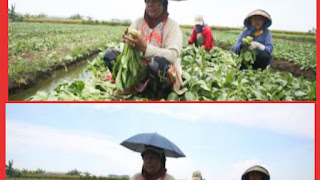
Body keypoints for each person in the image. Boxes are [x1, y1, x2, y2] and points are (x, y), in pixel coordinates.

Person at [103, 0, 186, 99]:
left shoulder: (172, 26)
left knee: (156, 64)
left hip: (157, 71)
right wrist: (127, 44)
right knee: (109, 55)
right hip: (138, 71)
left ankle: (156, 95)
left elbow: (172, 55)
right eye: (148, 1)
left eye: (154, 1)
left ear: (163, 3)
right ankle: (129, 87)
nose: (150, 4)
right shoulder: (138, 22)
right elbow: (123, 47)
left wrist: (145, 48)